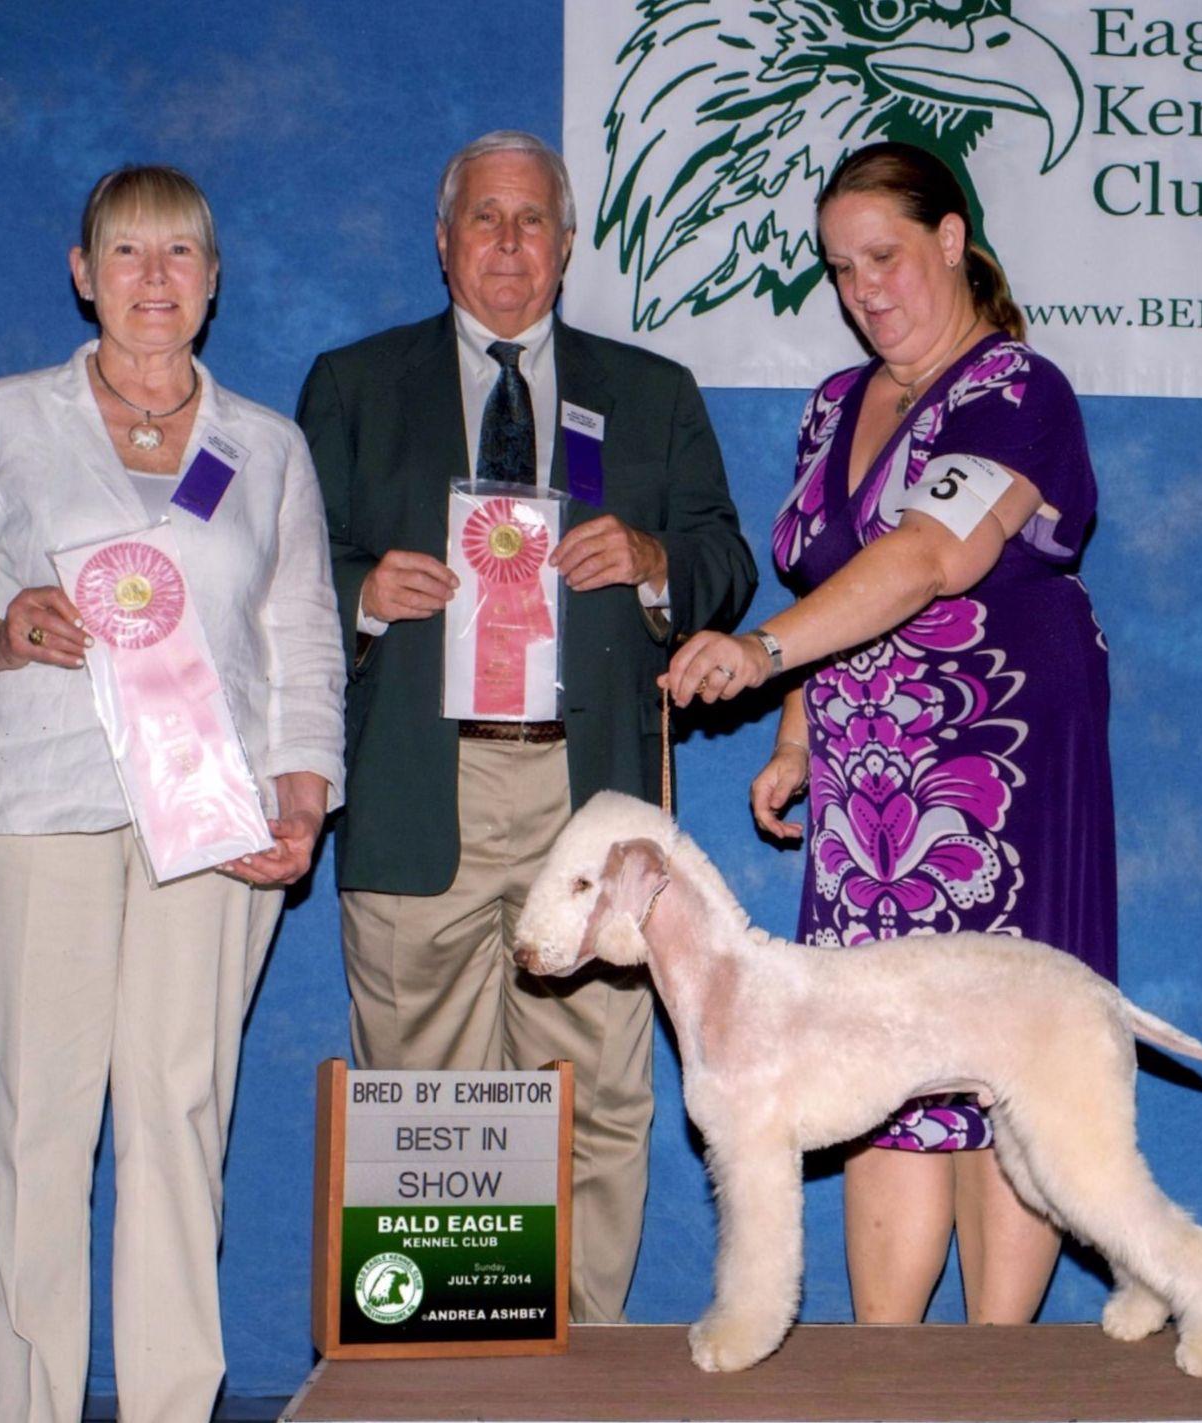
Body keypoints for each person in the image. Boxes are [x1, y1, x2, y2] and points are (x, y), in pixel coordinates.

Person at [0, 165, 345, 1423]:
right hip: (34, 810)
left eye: (179, 254)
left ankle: (169, 1407)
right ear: (83, 273)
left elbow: (301, 642)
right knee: (36, 1132)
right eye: (126, 253)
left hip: (211, 822)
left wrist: (301, 801)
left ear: (212, 280)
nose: (153, 278)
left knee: (179, 1122)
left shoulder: (267, 446)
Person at [297, 130, 756, 1323]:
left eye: (532, 220)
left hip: (588, 801)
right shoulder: (353, 385)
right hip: (419, 786)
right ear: (443, 242)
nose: (508, 242)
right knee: (423, 1103)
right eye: (484, 219)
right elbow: (282, 574)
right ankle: (450, 1370)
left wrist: (659, 561)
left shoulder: (650, 391)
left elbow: (724, 559)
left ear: (566, 244)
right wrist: (359, 588)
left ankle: (580, 1362)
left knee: (598, 1094)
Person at [666, 141, 1115, 1326]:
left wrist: (761, 654)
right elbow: (833, 572)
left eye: (884, 256)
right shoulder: (830, 404)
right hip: (865, 799)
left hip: (995, 778)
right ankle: (886, 1376)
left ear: (953, 241)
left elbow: (926, 558)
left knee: (1004, 1064)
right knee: (871, 1072)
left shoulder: (1017, 390)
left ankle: (997, 1377)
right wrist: (799, 736)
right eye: (838, 267)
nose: (862, 287)